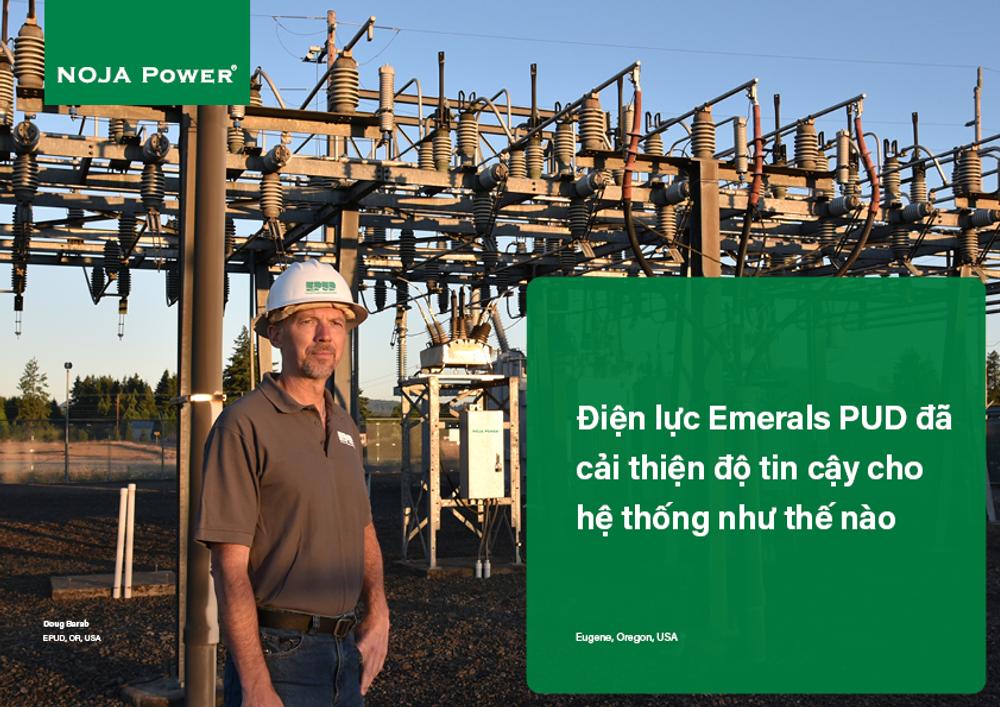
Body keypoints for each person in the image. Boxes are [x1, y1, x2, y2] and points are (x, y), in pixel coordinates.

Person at [194, 259, 389, 706]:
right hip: (281, 655)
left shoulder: (342, 424)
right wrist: (257, 685)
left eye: (337, 323)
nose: (325, 335)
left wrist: (378, 610)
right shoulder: (243, 425)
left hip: (345, 649)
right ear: (276, 333)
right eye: (308, 321)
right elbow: (229, 568)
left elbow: (363, 527)